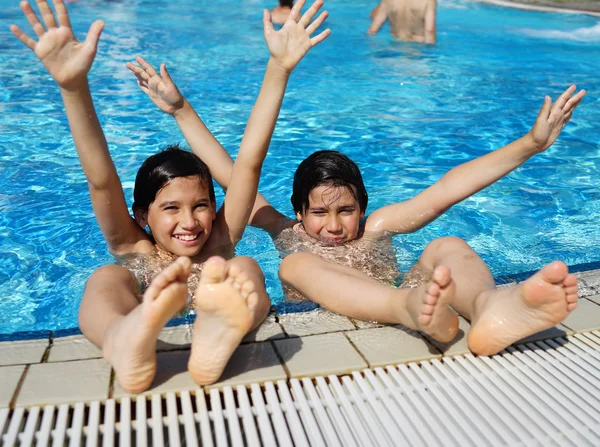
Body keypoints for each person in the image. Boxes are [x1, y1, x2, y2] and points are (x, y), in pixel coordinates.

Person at [126, 10, 584, 355]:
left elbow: (449, 188)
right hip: (380, 310)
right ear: (300, 212)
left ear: (363, 207)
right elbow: (236, 167)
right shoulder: (287, 232)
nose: (333, 226)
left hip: (414, 301)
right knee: (293, 267)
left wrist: (530, 144)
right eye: (319, 213)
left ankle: (489, 310)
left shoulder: (378, 226)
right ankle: (415, 308)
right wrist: (182, 110)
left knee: (447, 244)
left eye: (346, 211)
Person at [10, 0, 330, 393]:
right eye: (170, 209)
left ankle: (226, 330)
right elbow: (100, 180)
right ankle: (121, 336)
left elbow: (249, 161)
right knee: (108, 276)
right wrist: (73, 88)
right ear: (142, 214)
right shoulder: (133, 245)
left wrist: (278, 69)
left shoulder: (221, 238)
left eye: (200, 205)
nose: (190, 222)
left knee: (245, 267)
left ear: (214, 208)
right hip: (144, 309)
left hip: (222, 308)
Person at [368, 0, 437, 44]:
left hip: (395, 45)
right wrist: (430, 48)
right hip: (417, 49)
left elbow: (373, 30)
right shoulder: (429, 1)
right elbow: (429, 30)